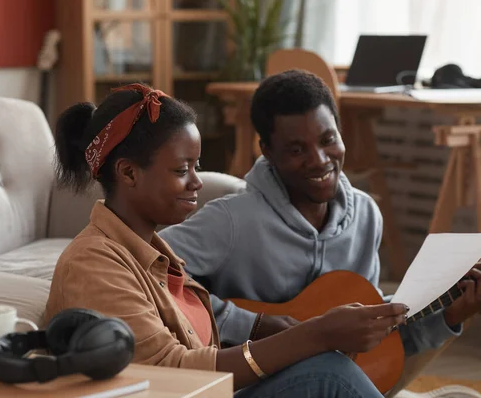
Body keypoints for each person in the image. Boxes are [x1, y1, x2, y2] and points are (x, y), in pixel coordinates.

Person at [158, 70, 481, 398]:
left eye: (328, 140)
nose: (319, 160)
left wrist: (453, 315)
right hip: (273, 383)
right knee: (334, 371)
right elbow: (150, 270)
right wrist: (257, 323)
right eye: (296, 149)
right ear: (266, 151)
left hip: (357, 370)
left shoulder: (365, 214)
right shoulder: (234, 219)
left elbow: (379, 341)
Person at [43, 82, 413, 398]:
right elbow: (171, 373)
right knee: (329, 372)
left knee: (325, 365)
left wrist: (264, 327)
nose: (197, 182)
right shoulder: (93, 262)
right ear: (128, 173)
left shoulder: (157, 256)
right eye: (180, 170)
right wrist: (315, 334)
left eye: (196, 166)